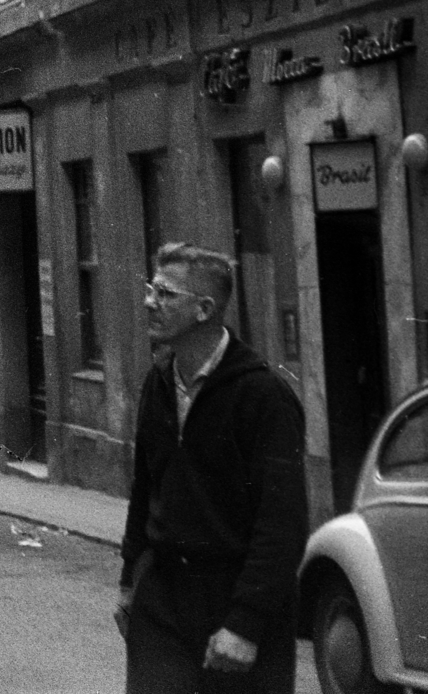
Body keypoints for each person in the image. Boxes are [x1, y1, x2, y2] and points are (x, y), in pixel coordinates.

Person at [117, 243, 307, 693]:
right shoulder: (159, 382)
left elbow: (282, 523)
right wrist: (129, 581)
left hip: (235, 604)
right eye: (151, 289)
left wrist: (245, 624)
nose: (149, 302)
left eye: (165, 293)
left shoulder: (263, 396)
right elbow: (145, 489)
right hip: (162, 600)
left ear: (203, 309)